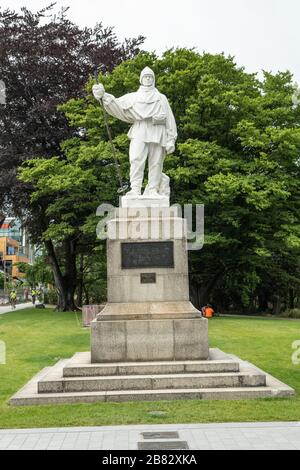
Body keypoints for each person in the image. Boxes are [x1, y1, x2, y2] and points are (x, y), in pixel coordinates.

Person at [92, 67, 177, 197]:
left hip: (158, 132)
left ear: (153, 79)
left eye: (150, 77)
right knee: (136, 159)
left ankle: (153, 190)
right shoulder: (133, 97)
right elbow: (117, 104)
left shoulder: (161, 98)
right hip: (140, 130)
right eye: (145, 76)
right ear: (141, 79)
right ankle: (135, 189)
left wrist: (171, 139)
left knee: (156, 162)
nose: (148, 79)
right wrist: (102, 96)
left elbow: (170, 119)